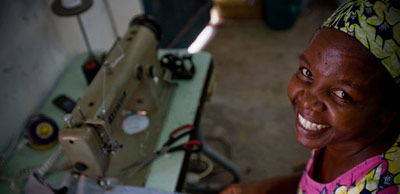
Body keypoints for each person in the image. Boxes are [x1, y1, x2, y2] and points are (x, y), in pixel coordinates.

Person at [220, 0, 400, 193]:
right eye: (307, 72)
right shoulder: (339, 136)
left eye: (342, 94)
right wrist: (265, 189)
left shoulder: (378, 188)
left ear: (387, 112)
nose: (307, 101)